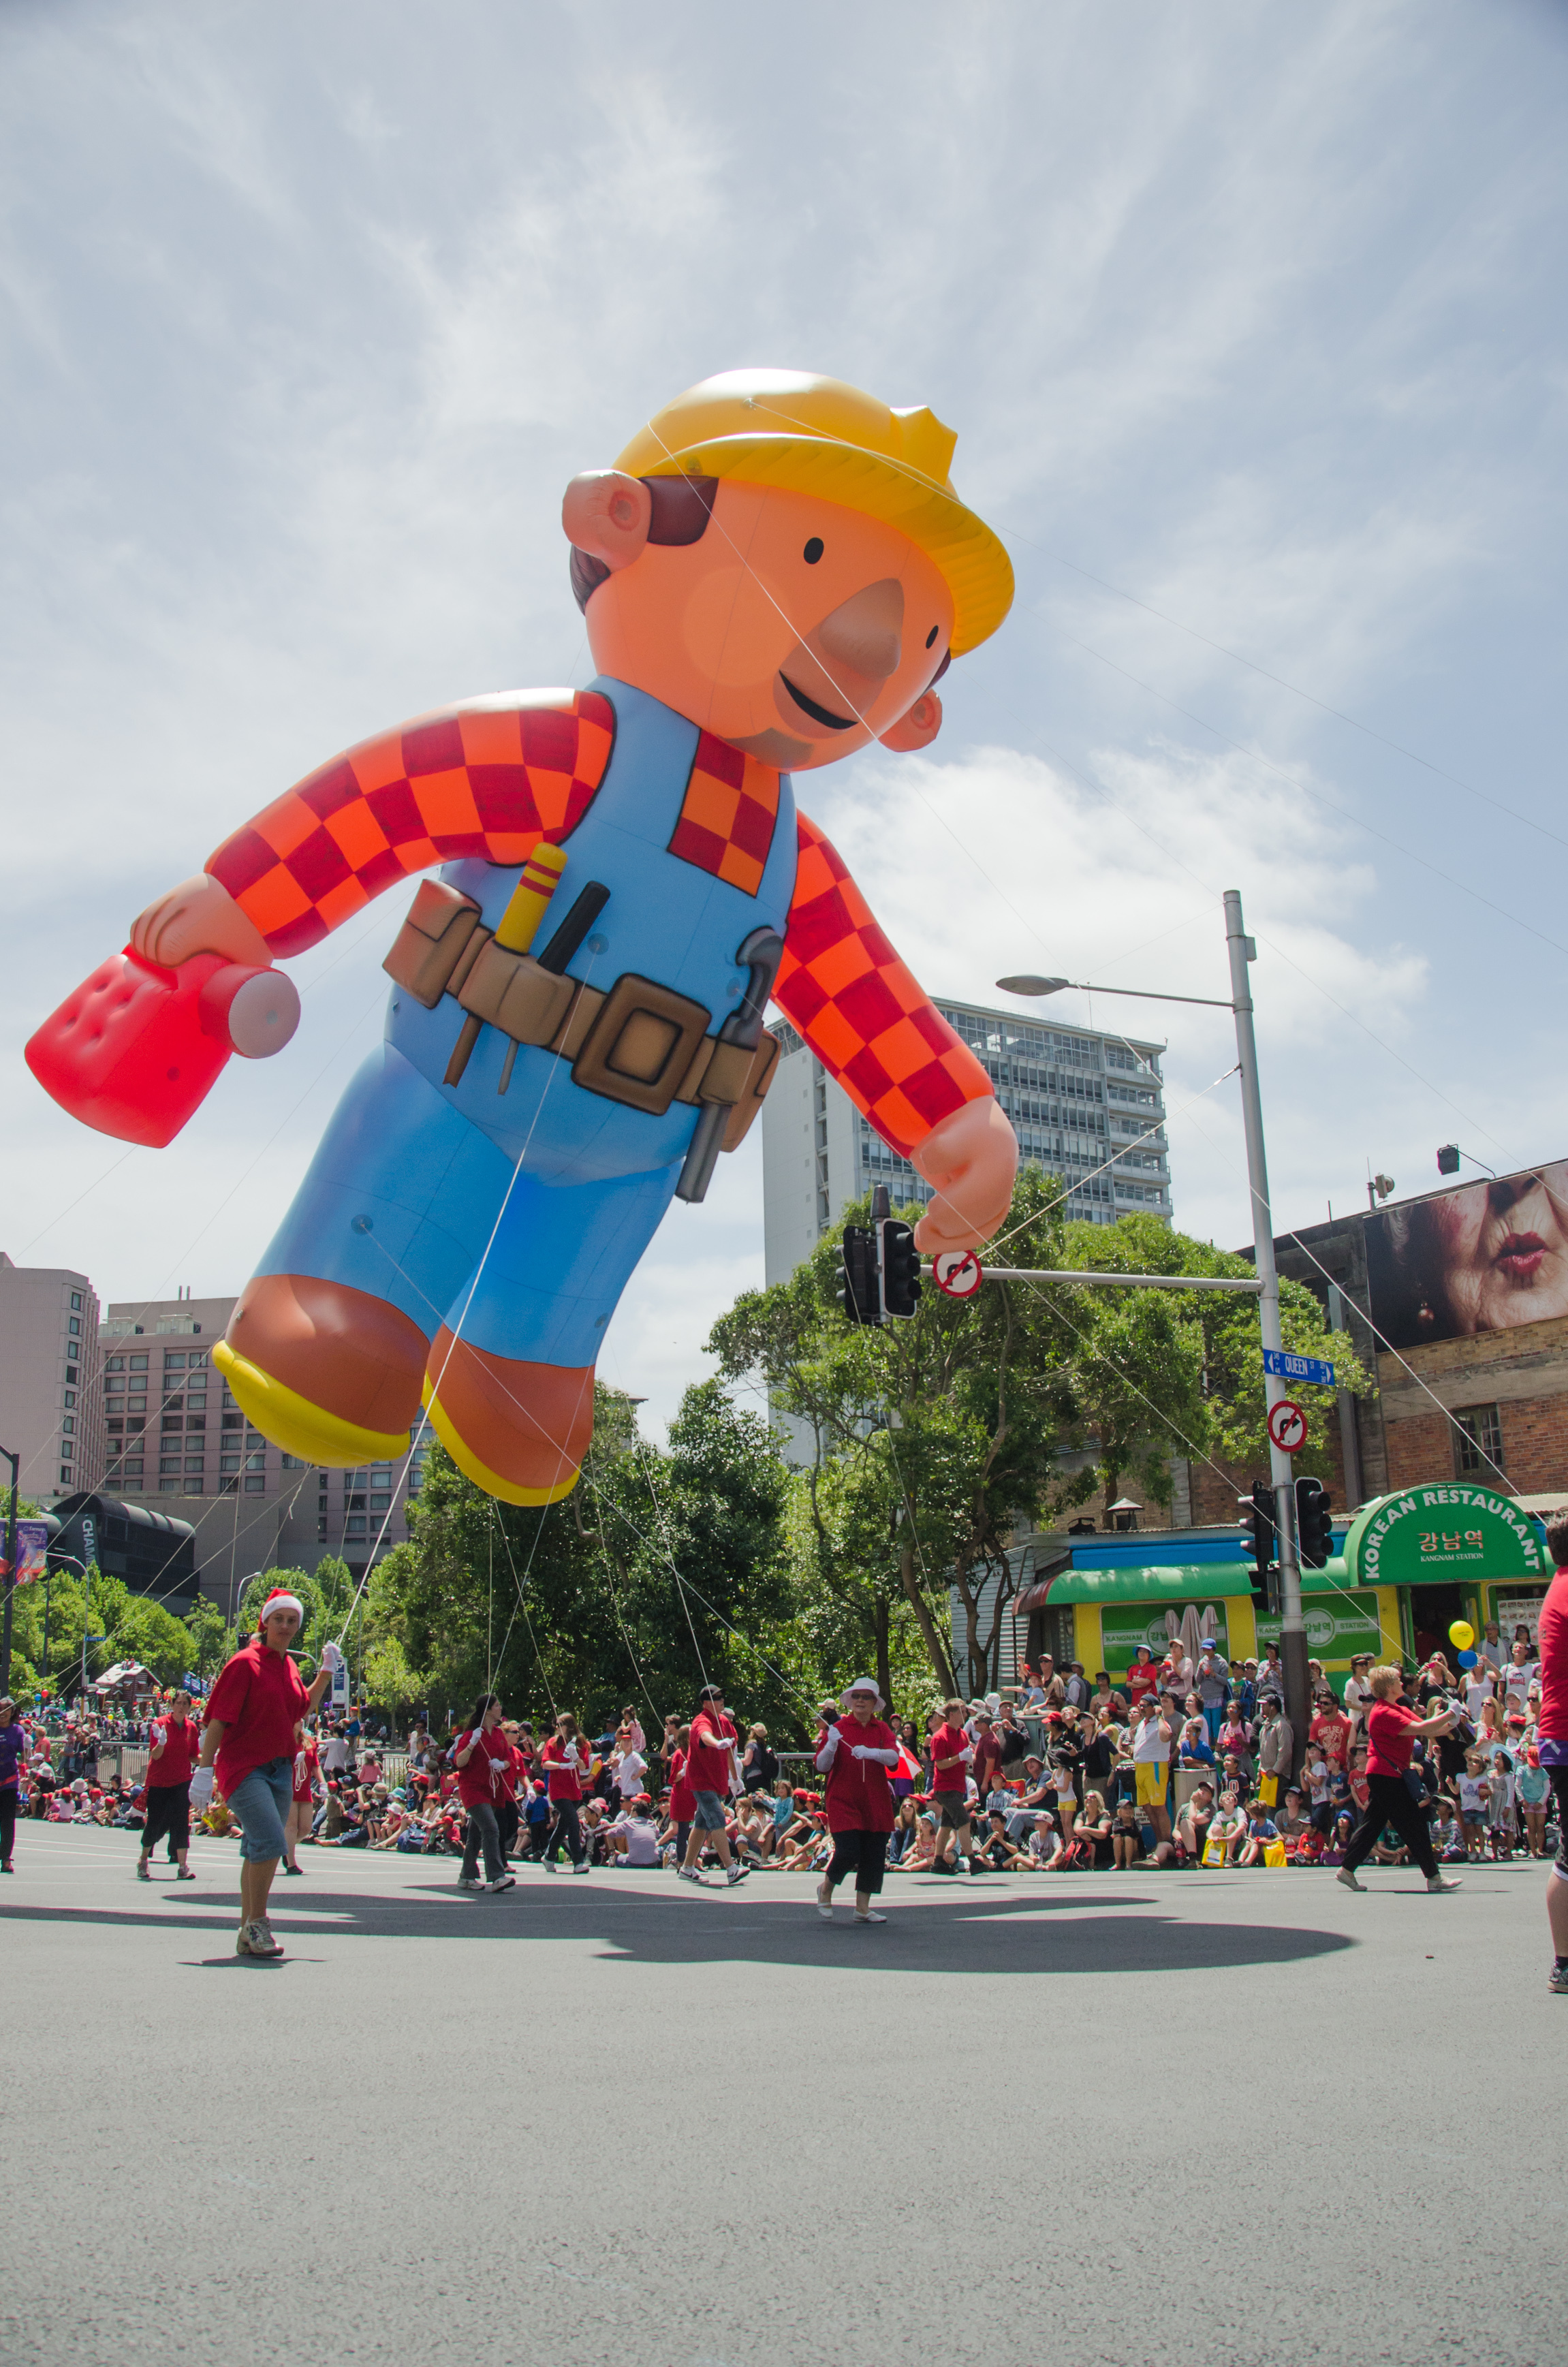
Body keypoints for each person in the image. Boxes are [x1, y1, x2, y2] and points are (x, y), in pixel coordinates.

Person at [193, 1590, 337, 1958]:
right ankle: (259, 1924)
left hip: (280, 1767)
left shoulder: (288, 1665)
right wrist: (203, 1770)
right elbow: (218, 1720)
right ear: (266, 1622)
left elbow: (301, 1708)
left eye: (293, 1620)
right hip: (244, 1767)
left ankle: (247, 1930)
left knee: (259, 1847)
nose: (286, 1626)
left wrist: (326, 1672)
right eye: (280, 1619)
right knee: (273, 1841)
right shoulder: (244, 1663)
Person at [1335, 1667, 1462, 1896]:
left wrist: (1453, 1719)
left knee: (1373, 1824)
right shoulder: (1384, 1712)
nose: (1401, 1682)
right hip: (1386, 1774)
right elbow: (1424, 1728)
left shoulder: (1397, 1708)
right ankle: (1434, 1877)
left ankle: (1347, 1869)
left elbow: (1432, 1727)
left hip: (1388, 1774)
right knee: (1413, 1824)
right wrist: (1451, 1714)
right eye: (1396, 1680)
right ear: (1388, 1687)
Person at [813, 1679, 899, 1923]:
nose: (861, 1700)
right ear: (851, 1701)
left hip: (875, 1799)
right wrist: (830, 1744)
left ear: (874, 1703)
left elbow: (894, 1758)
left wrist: (872, 1753)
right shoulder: (838, 1728)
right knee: (849, 1850)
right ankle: (826, 1889)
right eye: (857, 1696)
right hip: (844, 1800)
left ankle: (863, 1908)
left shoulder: (882, 1729)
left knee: (874, 1851)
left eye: (866, 1696)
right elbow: (821, 1766)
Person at [679, 1684, 748, 1887]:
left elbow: (730, 1749)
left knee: (701, 1824)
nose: (721, 1700)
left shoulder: (725, 1721)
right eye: (717, 1698)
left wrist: (735, 1779)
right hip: (701, 1781)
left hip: (716, 1781)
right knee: (717, 1818)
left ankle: (687, 1867)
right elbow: (704, 1736)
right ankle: (731, 1868)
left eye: (721, 1697)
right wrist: (717, 1743)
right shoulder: (702, 1720)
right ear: (706, 1703)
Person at [452, 1694, 518, 1894]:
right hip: (473, 1789)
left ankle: (466, 1876)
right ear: (488, 1710)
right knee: (490, 1828)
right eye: (497, 1706)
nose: (500, 1708)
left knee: (475, 1835)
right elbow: (459, 1762)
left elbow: (508, 1760)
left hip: (492, 1790)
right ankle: (497, 1876)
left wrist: (501, 1764)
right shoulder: (470, 1734)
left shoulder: (498, 1734)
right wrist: (472, 1743)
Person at [137, 1691, 200, 1882]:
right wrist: (162, 1742)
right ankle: (143, 1860)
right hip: (160, 1781)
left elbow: (192, 1755)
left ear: (190, 1707)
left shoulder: (191, 1728)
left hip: (181, 1780)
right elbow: (155, 1755)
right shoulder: (160, 1724)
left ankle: (182, 1867)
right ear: (172, 1705)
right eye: (178, 1703)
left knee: (181, 1822)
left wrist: (210, 1761)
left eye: (185, 1704)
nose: (181, 1707)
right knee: (155, 1822)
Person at [926, 1700, 979, 1875]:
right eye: (962, 1711)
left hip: (957, 1786)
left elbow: (963, 1761)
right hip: (945, 1787)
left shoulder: (963, 1734)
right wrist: (960, 1757)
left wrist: (968, 1759)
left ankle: (938, 1861)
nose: (965, 1714)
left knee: (947, 1825)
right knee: (964, 1821)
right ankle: (973, 1861)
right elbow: (940, 1765)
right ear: (952, 1715)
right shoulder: (940, 1737)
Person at [539, 1712, 591, 1873]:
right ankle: (578, 1861)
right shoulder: (553, 1743)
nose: (557, 1728)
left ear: (569, 1726)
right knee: (574, 1822)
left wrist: (576, 1757)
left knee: (563, 1826)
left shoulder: (582, 1743)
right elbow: (545, 1764)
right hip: (558, 1790)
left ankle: (549, 1856)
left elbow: (584, 1768)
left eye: (560, 1724)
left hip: (574, 1790)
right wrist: (561, 1766)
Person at [1131, 1695, 1172, 1846]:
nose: (1142, 1708)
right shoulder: (1142, 1723)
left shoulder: (1160, 1723)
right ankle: (1159, 1842)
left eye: (1146, 1705)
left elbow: (1166, 1737)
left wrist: (1160, 1716)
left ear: (1154, 1707)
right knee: (1147, 1808)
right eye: (1140, 1705)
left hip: (1154, 1767)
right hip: (1140, 1768)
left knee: (1159, 1807)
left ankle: (1167, 1844)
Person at [0, 1697, 25, 1874]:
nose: (3, 1713)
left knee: (8, 1821)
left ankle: (6, 1859)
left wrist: (27, 1771)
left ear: (12, 1712)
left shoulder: (18, 1731)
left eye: (6, 1710)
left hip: (9, 1781)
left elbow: (24, 1755)